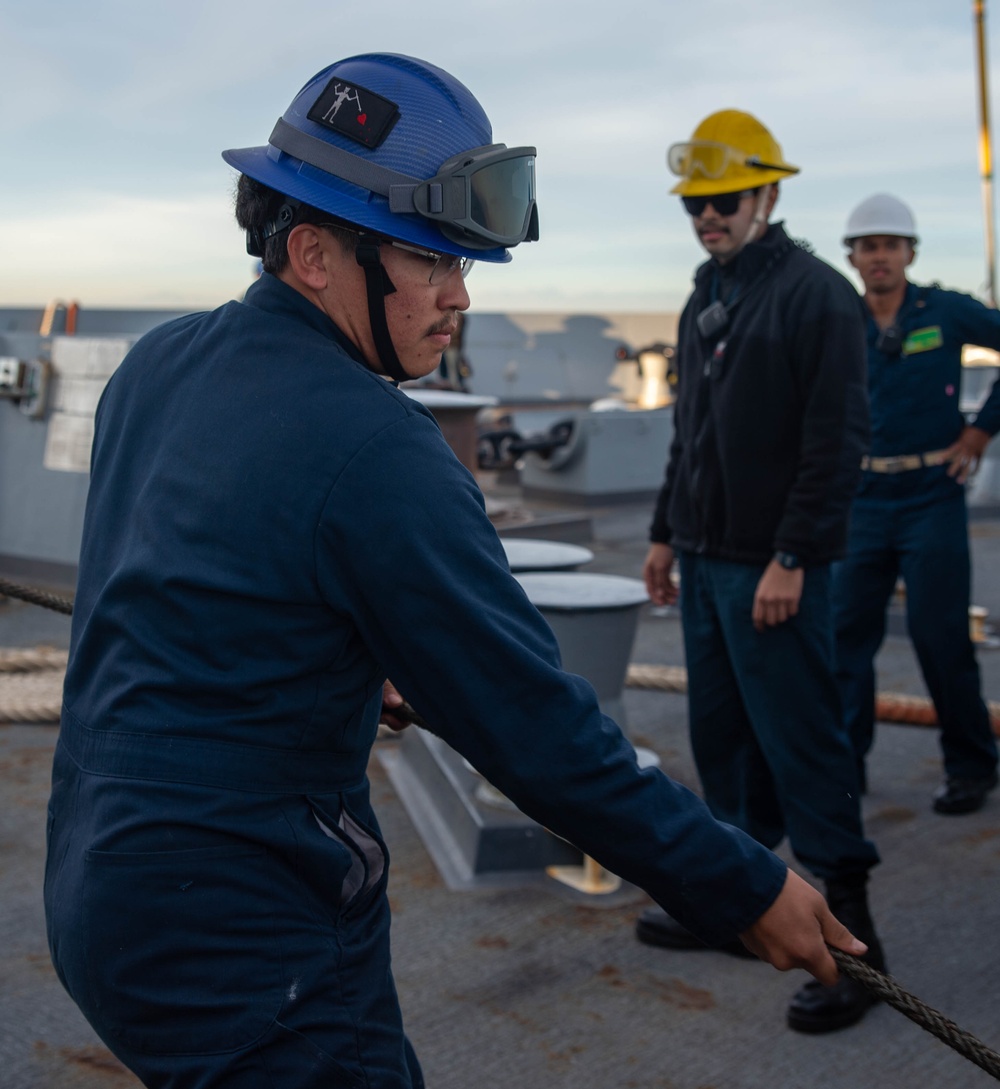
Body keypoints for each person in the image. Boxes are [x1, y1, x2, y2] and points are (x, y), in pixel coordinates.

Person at [44, 61, 866, 1088]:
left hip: (97, 887)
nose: (458, 298)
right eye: (431, 260)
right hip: (248, 941)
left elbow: (176, 591)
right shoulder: (377, 448)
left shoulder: (155, 365)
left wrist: (343, 660)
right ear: (313, 253)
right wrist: (740, 884)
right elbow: (535, 729)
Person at [638, 109, 885, 1034]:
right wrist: (665, 534)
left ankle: (856, 949)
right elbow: (689, 432)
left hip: (771, 570)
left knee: (805, 748)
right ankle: (737, 903)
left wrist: (792, 557)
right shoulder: (708, 289)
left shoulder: (819, 295)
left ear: (768, 193)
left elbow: (836, 445)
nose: (708, 216)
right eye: (696, 203)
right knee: (724, 744)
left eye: (723, 198)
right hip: (703, 562)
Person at [834, 193, 1000, 814]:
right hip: (861, 498)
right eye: (868, 246)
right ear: (852, 257)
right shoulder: (837, 317)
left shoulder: (947, 311)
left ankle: (971, 767)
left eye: (890, 246)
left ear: (909, 253)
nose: (879, 257)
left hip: (932, 496)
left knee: (941, 638)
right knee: (845, 641)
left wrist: (981, 430)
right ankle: (847, 771)